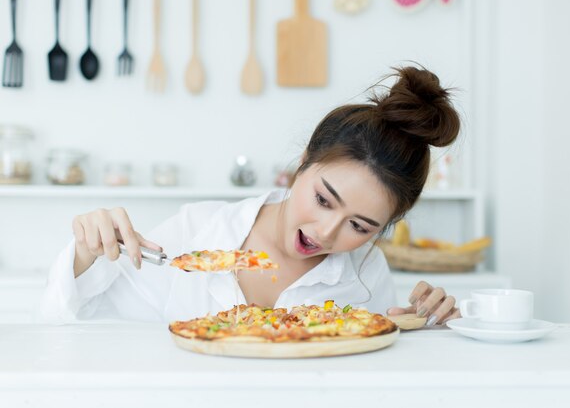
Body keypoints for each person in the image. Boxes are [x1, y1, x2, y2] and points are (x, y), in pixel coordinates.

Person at [39, 65, 462, 327]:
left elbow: (374, 374)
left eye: (359, 225)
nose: (326, 233)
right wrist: (86, 253)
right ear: (302, 163)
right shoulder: (196, 232)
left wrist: (426, 329)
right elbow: (67, 316)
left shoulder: (365, 275)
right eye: (323, 200)